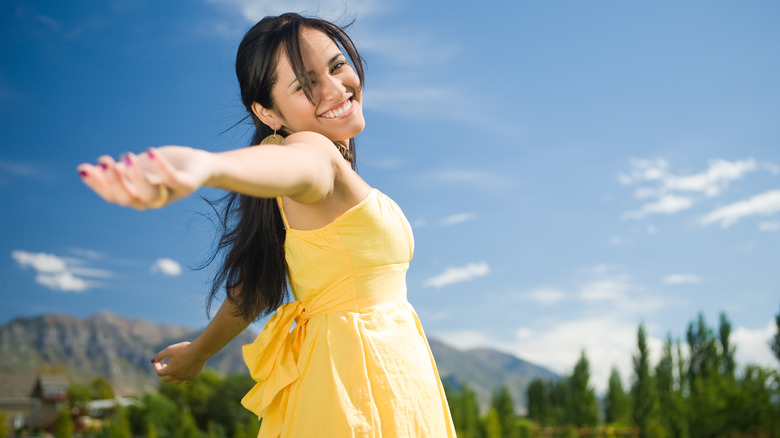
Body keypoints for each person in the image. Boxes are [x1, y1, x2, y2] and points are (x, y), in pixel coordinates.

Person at [77, 12, 456, 438]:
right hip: (357, 393)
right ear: (267, 113)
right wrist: (206, 166)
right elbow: (300, 163)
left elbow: (256, 285)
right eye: (305, 84)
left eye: (337, 66)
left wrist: (199, 352)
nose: (335, 89)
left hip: (373, 380)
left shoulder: (309, 183)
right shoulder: (312, 151)